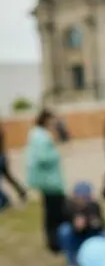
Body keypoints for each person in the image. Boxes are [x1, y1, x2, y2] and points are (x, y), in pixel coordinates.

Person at [25, 108, 67, 252]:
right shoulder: (41, 136)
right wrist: (55, 154)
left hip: (48, 180)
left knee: (52, 211)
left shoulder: (37, 134)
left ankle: (55, 240)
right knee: (55, 212)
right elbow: (43, 157)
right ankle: (55, 242)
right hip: (50, 181)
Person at [58, 181, 105, 266]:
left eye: (85, 197)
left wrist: (89, 224)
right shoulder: (68, 206)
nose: (82, 200)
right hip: (75, 236)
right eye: (80, 197)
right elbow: (66, 222)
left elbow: (100, 226)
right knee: (64, 230)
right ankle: (73, 261)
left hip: (91, 235)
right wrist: (76, 226)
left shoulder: (94, 207)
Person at [0, 123, 28, 204]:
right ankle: (22, 191)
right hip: (3, 156)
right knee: (9, 177)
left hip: (1, 157)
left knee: (8, 177)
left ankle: (4, 199)